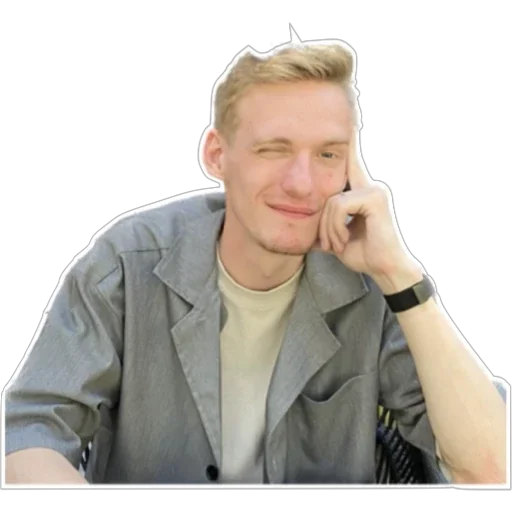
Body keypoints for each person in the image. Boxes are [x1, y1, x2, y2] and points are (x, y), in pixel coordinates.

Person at [3, 36, 508, 486]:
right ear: (216, 155)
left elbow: (491, 468)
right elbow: (27, 434)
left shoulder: (372, 278)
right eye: (274, 149)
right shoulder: (125, 263)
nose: (302, 184)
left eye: (328, 155)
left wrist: (401, 273)